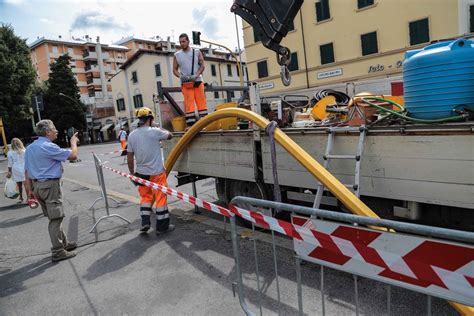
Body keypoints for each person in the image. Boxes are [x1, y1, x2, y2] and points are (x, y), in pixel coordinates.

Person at [24, 119, 79, 262]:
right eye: (54, 129)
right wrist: (73, 143)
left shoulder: (30, 148)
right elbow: (73, 156)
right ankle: (58, 251)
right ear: (48, 132)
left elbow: (27, 171)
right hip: (50, 186)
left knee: (54, 217)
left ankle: (64, 244)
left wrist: (30, 191)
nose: (56, 131)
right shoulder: (48, 146)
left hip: (37, 186)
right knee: (56, 218)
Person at [127, 107, 174, 235]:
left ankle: (145, 222)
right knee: (160, 198)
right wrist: (157, 126)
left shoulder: (132, 135)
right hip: (157, 172)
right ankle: (162, 227)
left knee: (145, 198)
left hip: (141, 173)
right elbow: (170, 135)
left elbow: (130, 157)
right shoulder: (155, 131)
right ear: (150, 119)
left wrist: (132, 173)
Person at [173, 33, 208, 128]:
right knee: (189, 104)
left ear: (188, 41)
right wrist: (181, 76)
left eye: (183, 41)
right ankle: (191, 126)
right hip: (186, 83)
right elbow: (174, 69)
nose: (182, 43)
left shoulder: (197, 52)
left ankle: (204, 125)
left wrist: (196, 75)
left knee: (201, 103)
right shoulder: (177, 55)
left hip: (198, 81)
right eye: (180, 42)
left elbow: (202, 65)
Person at [6, 138, 26, 203]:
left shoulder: (10, 152)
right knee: (27, 184)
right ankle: (29, 197)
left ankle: (21, 198)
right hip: (24, 168)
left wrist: (9, 171)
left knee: (19, 185)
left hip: (16, 169)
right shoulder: (24, 150)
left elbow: (10, 163)